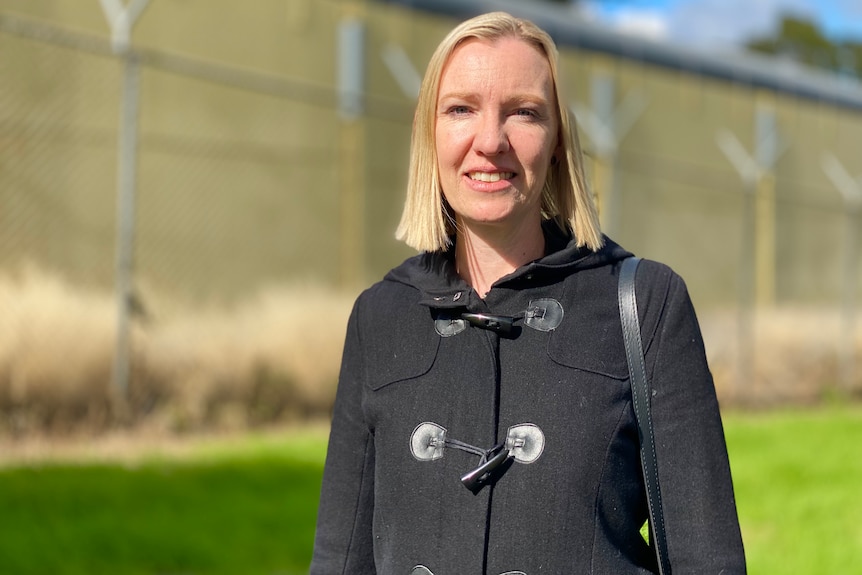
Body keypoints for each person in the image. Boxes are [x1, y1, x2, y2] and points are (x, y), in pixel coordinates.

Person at [311, 11, 745, 575]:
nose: (490, 141)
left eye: (524, 112)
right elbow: (339, 561)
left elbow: (706, 558)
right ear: (430, 135)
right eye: (461, 109)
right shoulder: (380, 315)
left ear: (558, 141)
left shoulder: (645, 303)